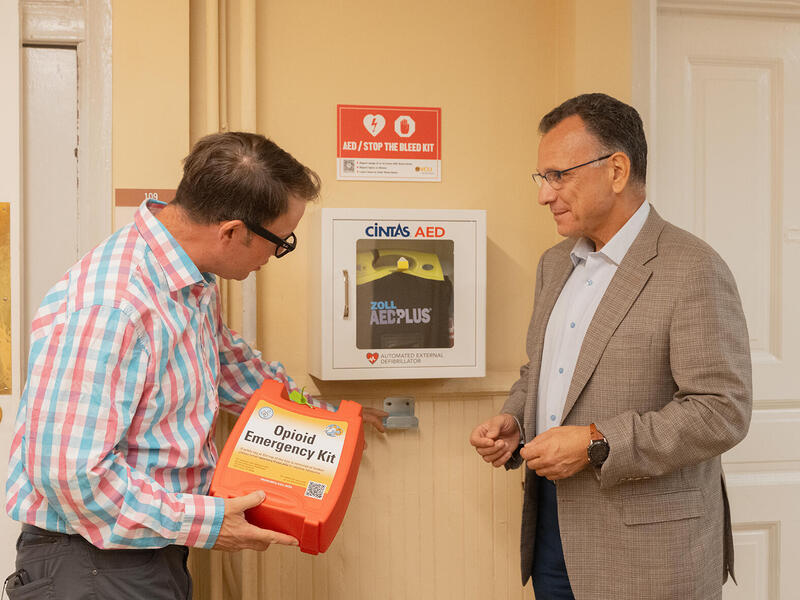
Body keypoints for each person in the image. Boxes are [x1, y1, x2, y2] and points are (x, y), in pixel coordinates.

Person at [4, 132, 386, 599]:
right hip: (91, 564)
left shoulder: (189, 277)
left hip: (142, 549)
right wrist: (207, 525)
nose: (277, 254)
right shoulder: (113, 306)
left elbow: (223, 361)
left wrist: (320, 417)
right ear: (231, 232)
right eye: (279, 242)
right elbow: (71, 474)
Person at [469, 93, 752, 599]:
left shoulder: (693, 268)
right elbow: (541, 372)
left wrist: (598, 442)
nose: (545, 194)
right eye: (542, 178)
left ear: (617, 170)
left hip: (652, 554)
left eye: (559, 175)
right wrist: (515, 420)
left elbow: (721, 411)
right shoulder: (554, 264)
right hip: (552, 537)